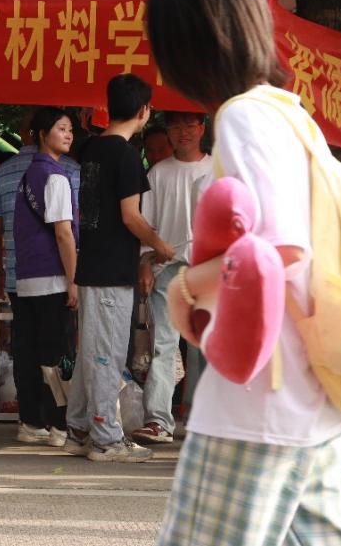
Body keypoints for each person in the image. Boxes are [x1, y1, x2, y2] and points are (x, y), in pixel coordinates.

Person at [147, 0, 341, 545]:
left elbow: (278, 252)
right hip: (304, 389)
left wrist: (184, 286)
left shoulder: (244, 118)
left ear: (188, 44)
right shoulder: (289, 115)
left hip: (257, 398)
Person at [64, 74, 172, 464]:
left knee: (92, 352)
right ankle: (106, 438)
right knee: (106, 354)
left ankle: (79, 430)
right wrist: (159, 244)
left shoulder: (91, 148)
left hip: (93, 263)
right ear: (144, 110)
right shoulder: (126, 155)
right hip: (112, 269)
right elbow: (131, 216)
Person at [0, 111, 80, 444]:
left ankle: (31, 422)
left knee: (27, 350)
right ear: (41, 134)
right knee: (57, 354)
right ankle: (59, 425)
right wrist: (73, 280)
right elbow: (64, 233)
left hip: (23, 277)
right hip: (52, 276)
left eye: (70, 129)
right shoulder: (58, 175)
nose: (68, 135)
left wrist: (0, 271)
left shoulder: (24, 175)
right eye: (61, 129)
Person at [133, 111, 213, 446]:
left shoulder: (217, 170)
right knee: (162, 345)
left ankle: (203, 420)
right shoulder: (157, 173)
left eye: (189, 125)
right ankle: (158, 421)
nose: (183, 132)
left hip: (209, 271)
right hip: (165, 268)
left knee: (205, 348)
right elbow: (145, 225)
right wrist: (145, 263)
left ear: (202, 128)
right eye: (176, 126)